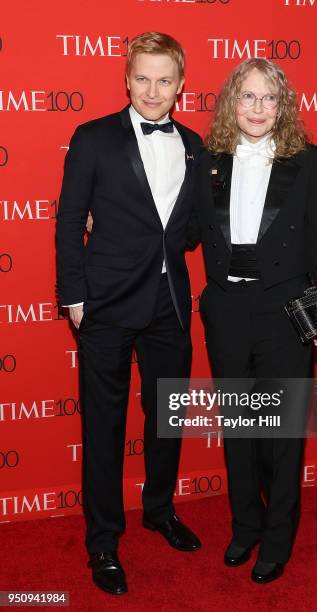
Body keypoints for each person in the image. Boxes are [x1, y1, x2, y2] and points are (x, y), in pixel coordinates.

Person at [189, 58, 317, 584]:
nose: (257, 108)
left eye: (268, 98)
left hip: (284, 311)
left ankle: (278, 538)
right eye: (247, 97)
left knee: (280, 433)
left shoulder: (307, 161)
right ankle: (246, 526)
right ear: (230, 103)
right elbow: (179, 228)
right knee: (239, 427)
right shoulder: (208, 159)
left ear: (281, 105)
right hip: (226, 309)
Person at [56, 32, 202, 596]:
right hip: (106, 305)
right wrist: (74, 294)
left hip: (168, 303)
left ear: (181, 85)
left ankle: (160, 510)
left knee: (167, 416)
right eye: (142, 77)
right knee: (105, 425)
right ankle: (103, 541)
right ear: (126, 79)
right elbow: (70, 221)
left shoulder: (193, 146)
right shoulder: (92, 138)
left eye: (165, 80)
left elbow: (188, 229)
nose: (153, 90)